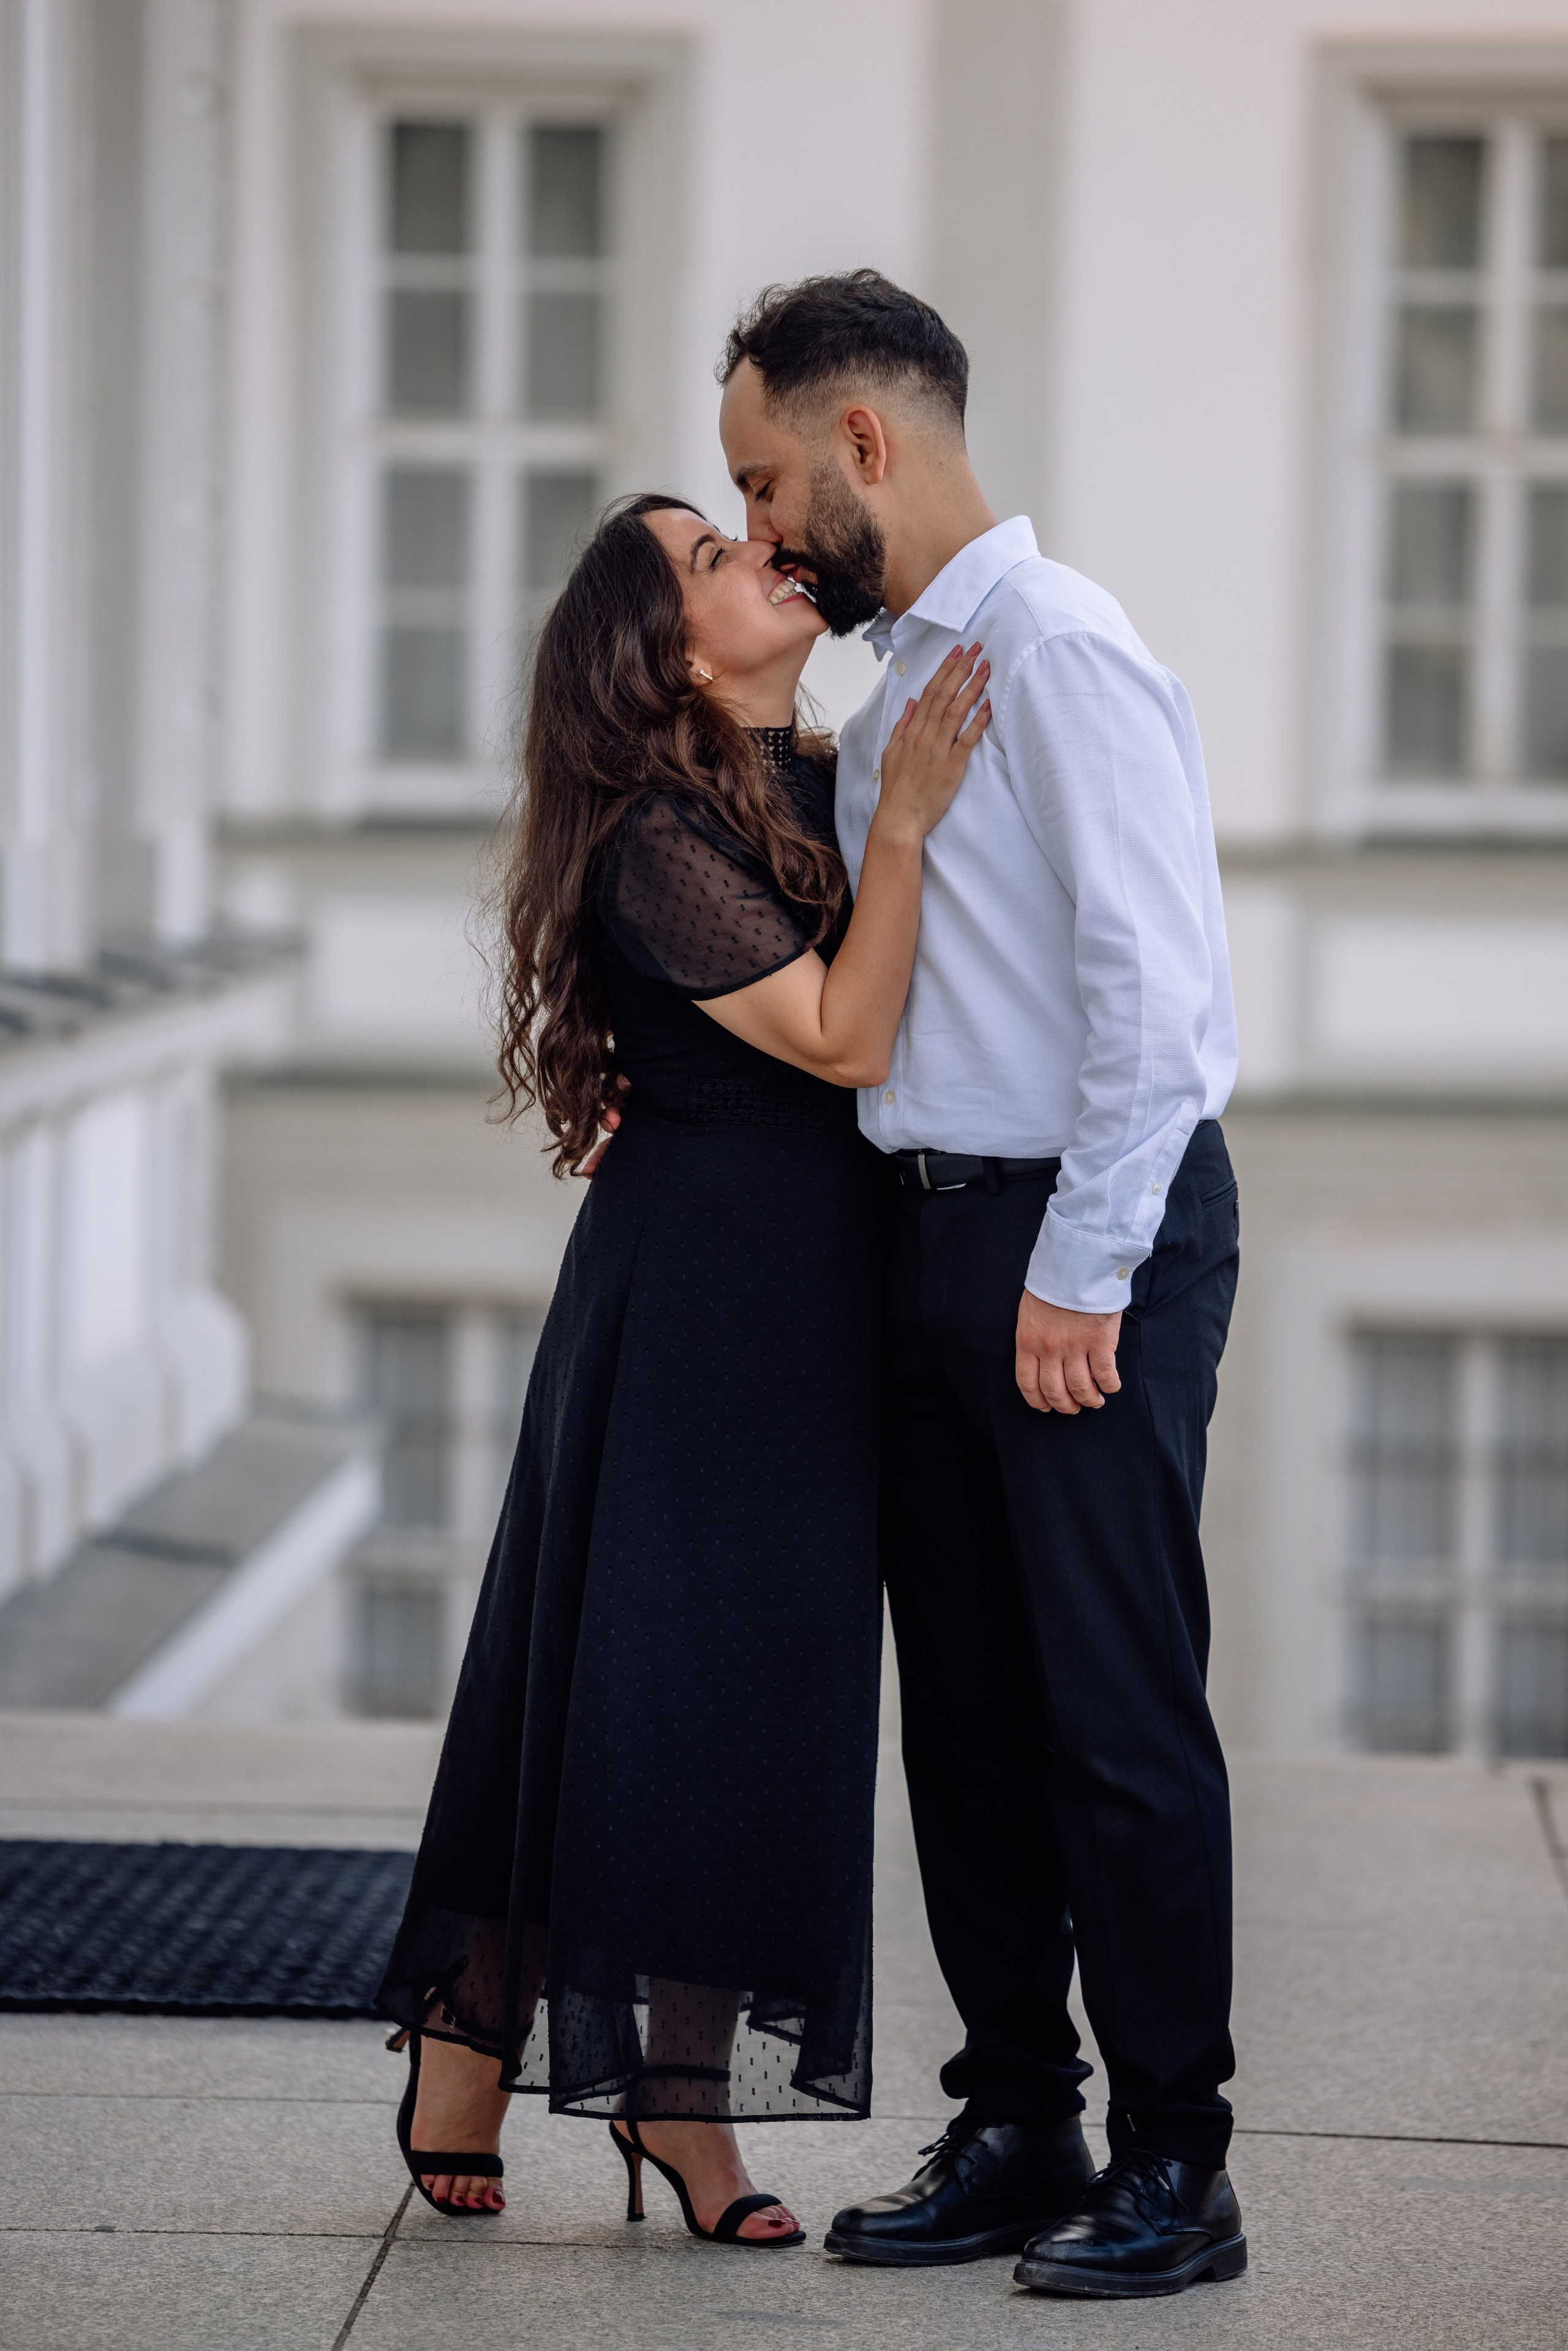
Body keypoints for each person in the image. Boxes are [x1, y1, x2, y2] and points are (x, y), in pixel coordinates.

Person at [375, 491, 990, 2249]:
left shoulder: (817, 774)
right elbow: (846, 1036)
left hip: (820, 1295)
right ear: (666, 655)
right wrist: (911, 829)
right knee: (636, 1683)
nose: (756, 551)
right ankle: (523, 2053)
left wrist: (897, 802)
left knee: (763, 1703)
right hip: (695, 1302)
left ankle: (645, 2080)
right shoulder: (656, 832)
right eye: (711, 559)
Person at [716, 272, 1246, 2300]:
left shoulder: (1060, 648)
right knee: (965, 1717)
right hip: (931, 1235)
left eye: (769, 483)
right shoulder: (901, 689)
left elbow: (1157, 1000)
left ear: (864, 442)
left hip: (1080, 1236)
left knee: (1114, 1713)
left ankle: (1180, 2159)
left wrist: (1082, 1270)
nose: (764, 532)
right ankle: (1023, 2116)